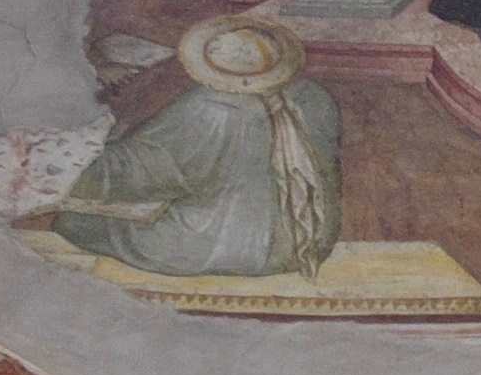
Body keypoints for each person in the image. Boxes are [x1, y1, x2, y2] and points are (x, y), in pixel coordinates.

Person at [45, 19, 348, 281]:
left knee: (74, 224)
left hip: (218, 246)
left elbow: (132, 176)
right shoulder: (313, 99)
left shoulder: (206, 111)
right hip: (304, 243)